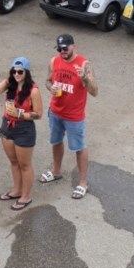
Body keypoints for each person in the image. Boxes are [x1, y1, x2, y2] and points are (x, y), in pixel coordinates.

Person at [40, 33, 98, 200]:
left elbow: (94, 91)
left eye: (65, 48)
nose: (62, 51)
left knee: (79, 147)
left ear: (73, 46)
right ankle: (56, 171)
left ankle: (83, 183)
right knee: (56, 142)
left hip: (74, 116)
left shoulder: (84, 64)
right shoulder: (54, 61)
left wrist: (84, 77)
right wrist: (50, 87)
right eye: (59, 48)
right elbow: (47, 81)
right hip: (56, 112)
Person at [0, 56, 42, 211]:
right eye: (14, 71)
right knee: (14, 162)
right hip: (7, 126)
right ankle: (16, 190)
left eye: (20, 71)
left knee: (25, 165)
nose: (16, 74)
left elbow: (38, 114)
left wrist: (19, 114)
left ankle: (26, 196)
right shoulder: (10, 82)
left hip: (24, 129)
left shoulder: (33, 90)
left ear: (26, 72)